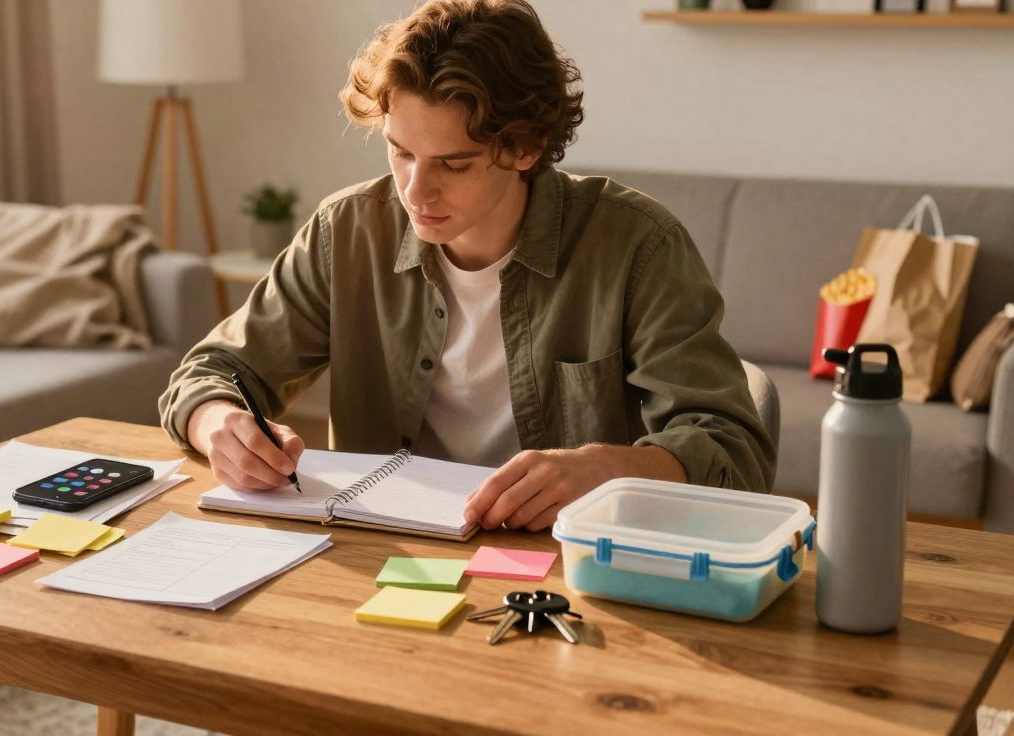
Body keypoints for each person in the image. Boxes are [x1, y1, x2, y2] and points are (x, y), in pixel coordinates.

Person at [159, 0, 775, 532]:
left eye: (453, 164)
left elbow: (734, 449)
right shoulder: (345, 233)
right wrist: (218, 423)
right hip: (384, 549)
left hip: (567, 562)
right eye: (401, 152)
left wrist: (608, 468)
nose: (415, 191)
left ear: (525, 147)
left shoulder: (637, 247)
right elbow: (210, 372)